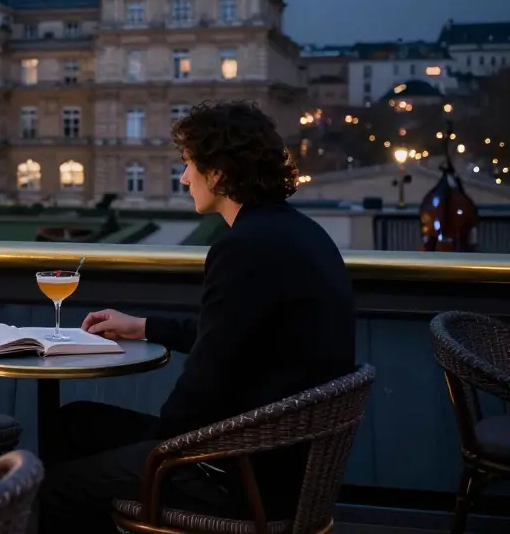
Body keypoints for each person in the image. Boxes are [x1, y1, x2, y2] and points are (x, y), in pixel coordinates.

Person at [38, 100, 356, 533]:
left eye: (189, 164)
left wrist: (161, 445)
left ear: (219, 174)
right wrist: (145, 327)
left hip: (238, 473)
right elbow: (235, 336)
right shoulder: (295, 231)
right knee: (73, 423)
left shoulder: (243, 247)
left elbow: (204, 384)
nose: (184, 177)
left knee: (54, 486)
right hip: (288, 460)